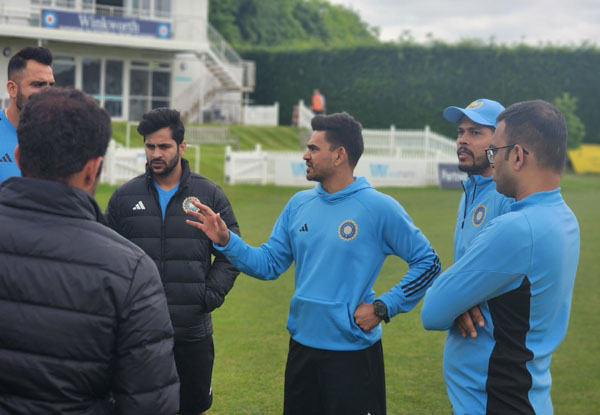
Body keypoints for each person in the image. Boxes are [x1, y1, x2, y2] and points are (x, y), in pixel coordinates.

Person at [186, 112, 441, 415]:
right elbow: (268, 263)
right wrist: (227, 240)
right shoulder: (298, 204)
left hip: (353, 354)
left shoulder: (378, 207)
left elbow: (429, 263)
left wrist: (384, 307)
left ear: (339, 155)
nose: (305, 155)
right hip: (302, 349)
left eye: (313, 149)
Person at [0, 87, 179, 414]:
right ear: (93, 169)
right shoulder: (131, 271)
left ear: (19, 155)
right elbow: (150, 404)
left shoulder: (128, 270)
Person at [422, 100, 580, 415]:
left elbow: (433, 311)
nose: (492, 161)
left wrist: (458, 298)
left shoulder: (517, 227)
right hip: (524, 393)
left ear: (518, 156)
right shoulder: (563, 216)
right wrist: (464, 295)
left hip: (497, 400)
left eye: (494, 151)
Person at [105, 107, 240, 415]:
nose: (156, 153)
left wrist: (208, 295)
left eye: (164, 146)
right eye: (150, 146)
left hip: (191, 334)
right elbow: (106, 258)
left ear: (181, 146)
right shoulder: (124, 198)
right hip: (137, 337)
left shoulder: (209, 195)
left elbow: (231, 252)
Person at [0, 46, 54, 182]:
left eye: (50, 85)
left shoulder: (58, 135)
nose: (48, 93)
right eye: (38, 85)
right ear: (12, 89)